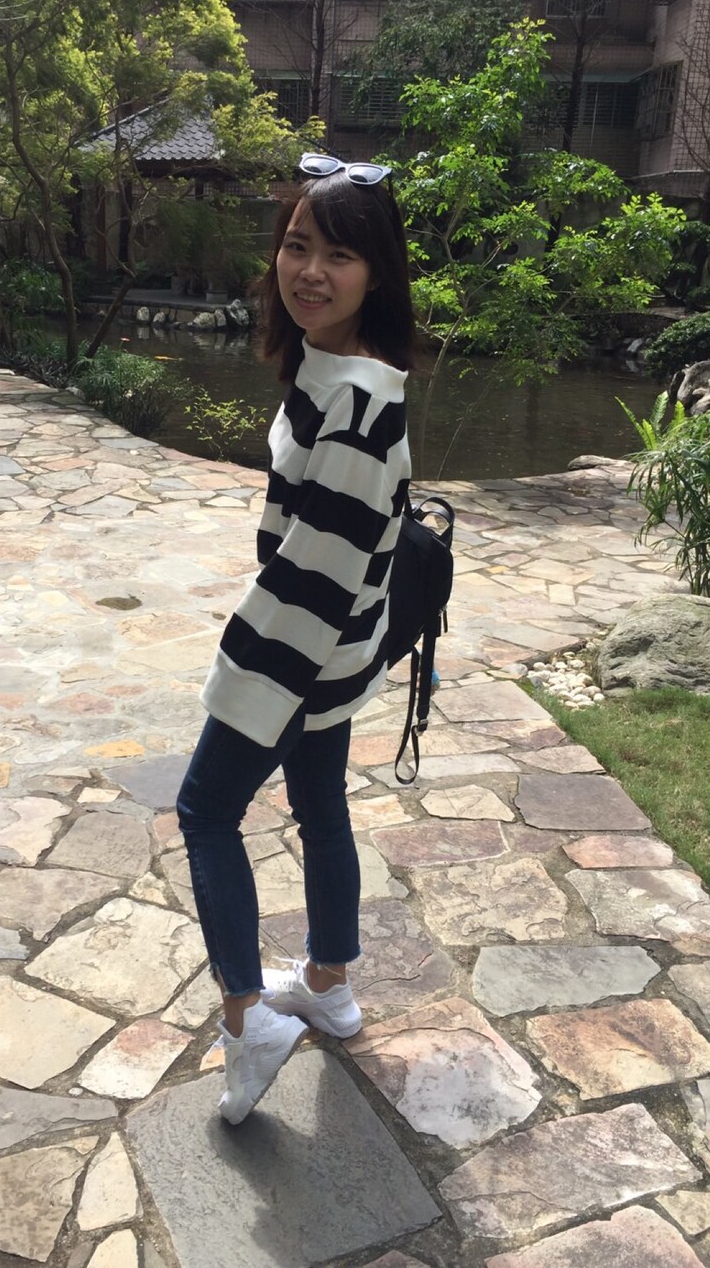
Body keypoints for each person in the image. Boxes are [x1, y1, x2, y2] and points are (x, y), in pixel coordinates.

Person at [176, 152, 417, 1124]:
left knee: (204, 810)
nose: (310, 271)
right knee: (320, 807)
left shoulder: (356, 401)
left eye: (339, 256)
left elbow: (314, 577)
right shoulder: (333, 372)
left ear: (377, 275)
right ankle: (326, 984)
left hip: (301, 651)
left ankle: (249, 1021)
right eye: (297, 245)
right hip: (334, 652)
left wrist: (245, 676)